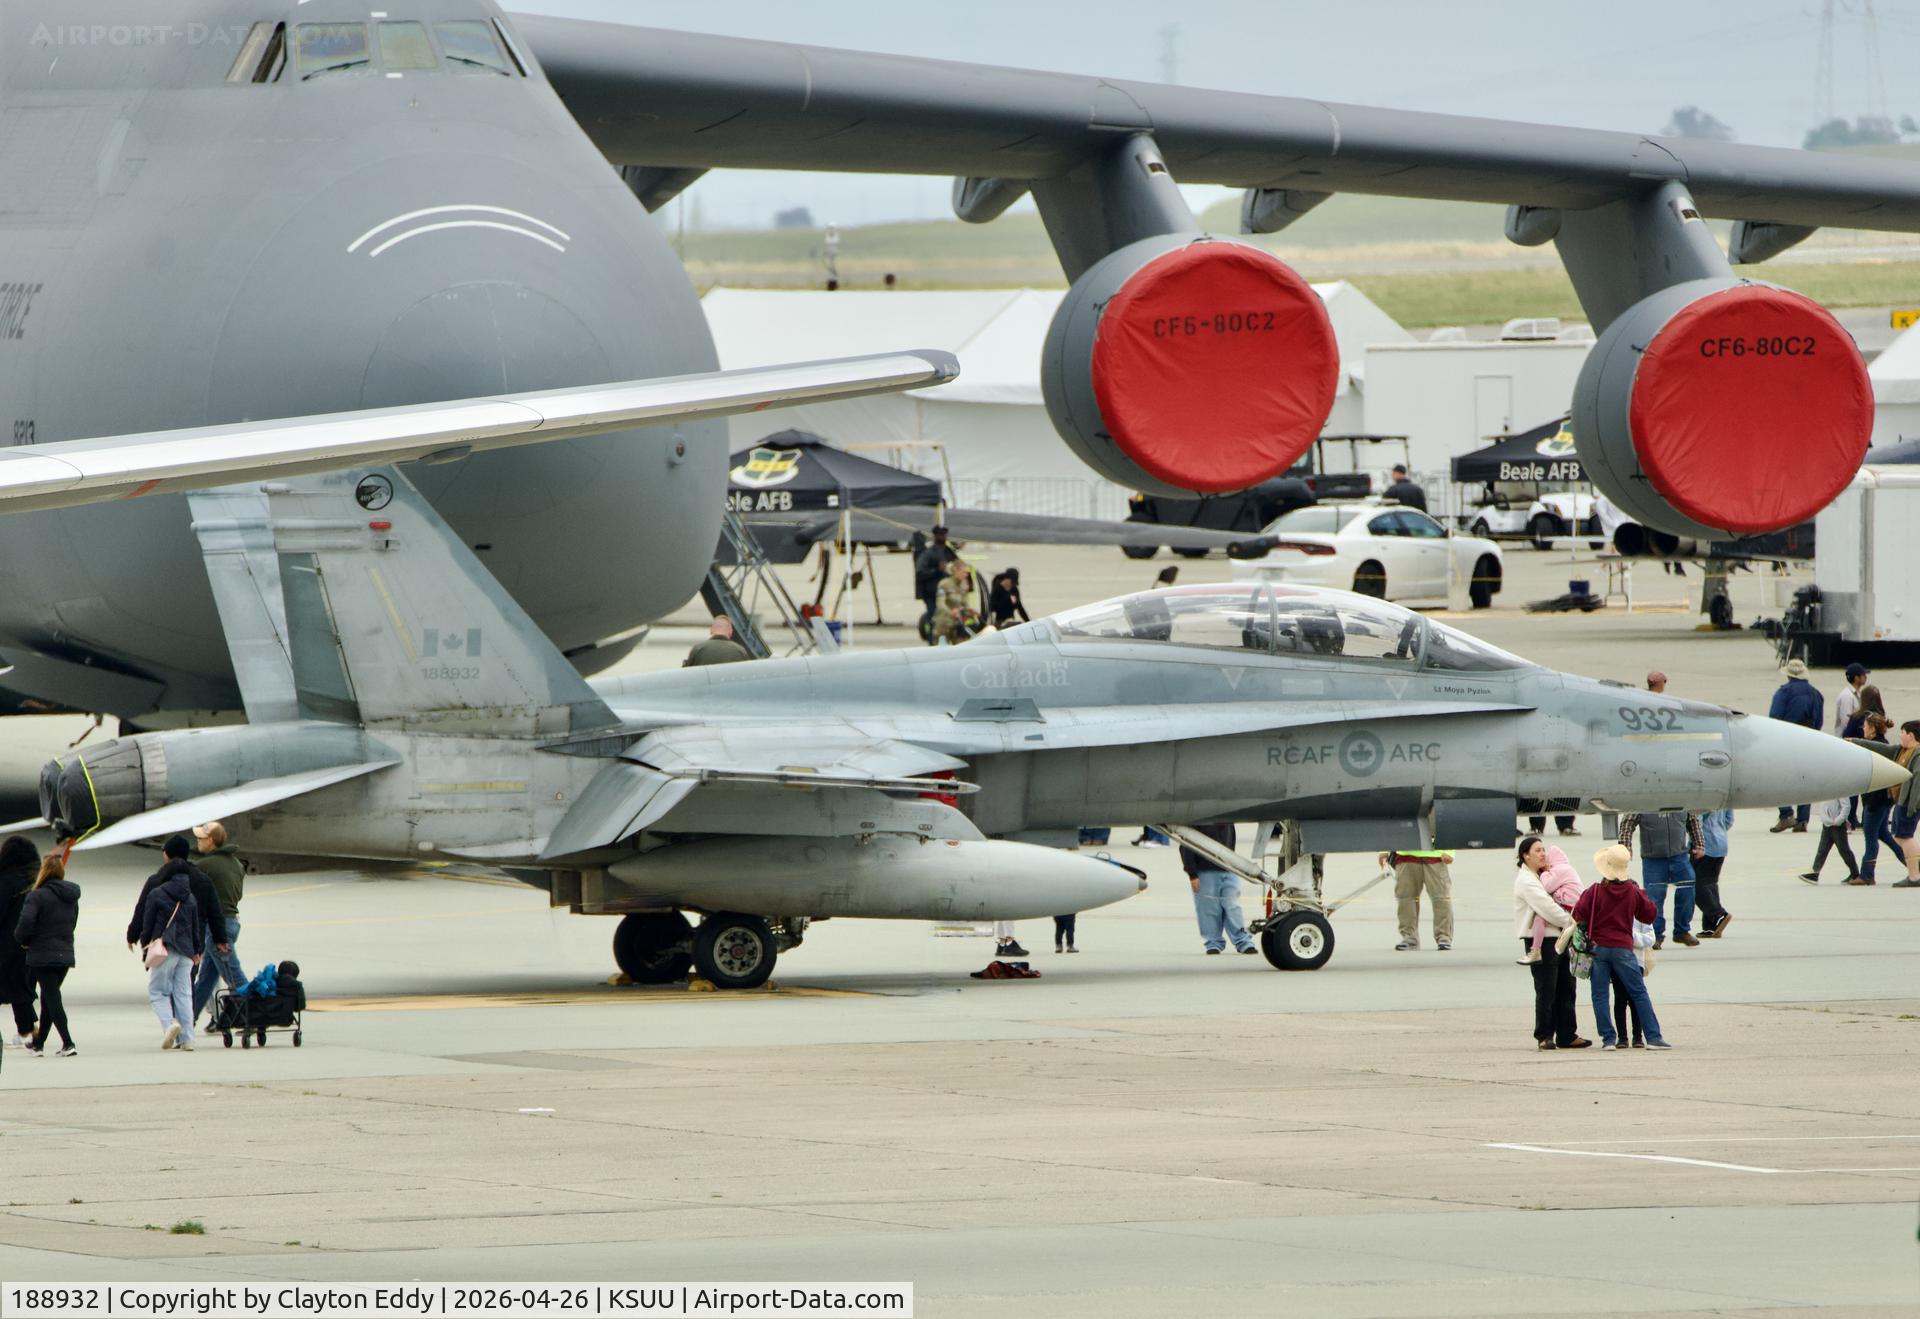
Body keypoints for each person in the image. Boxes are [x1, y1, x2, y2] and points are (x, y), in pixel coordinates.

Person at [1573, 845, 1672, 1050]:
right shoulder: (1633, 891)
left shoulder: (1594, 891)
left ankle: (1608, 1038)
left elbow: (1578, 914)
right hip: (1623, 948)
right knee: (1638, 992)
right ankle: (1653, 1036)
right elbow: (1649, 914)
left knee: (1600, 995)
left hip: (1598, 948)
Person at [130, 835, 208, 1051]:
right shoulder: (190, 897)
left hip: (165, 948)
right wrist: (197, 950)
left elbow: (147, 925)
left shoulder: (157, 893)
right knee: (184, 993)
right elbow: (196, 927)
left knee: (158, 992)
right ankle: (188, 1038)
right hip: (187, 952)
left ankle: (170, 1025)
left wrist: (145, 948)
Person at [1513, 836, 1590, 1051]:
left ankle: (1567, 1033)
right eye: (1537, 850)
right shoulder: (1526, 880)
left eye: (1544, 849)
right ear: (1525, 855)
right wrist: (1573, 921)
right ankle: (1545, 1035)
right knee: (1546, 988)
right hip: (1542, 940)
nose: (1543, 854)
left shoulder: (1546, 875)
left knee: (1567, 985)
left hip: (1560, 936)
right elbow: (1546, 907)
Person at [13, 854, 79, 1057]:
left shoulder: (37, 896)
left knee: (52, 999)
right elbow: (72, 923)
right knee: (49, 999)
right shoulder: (71, 896)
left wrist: (22, 940)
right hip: (65, 953)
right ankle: (39, 1043)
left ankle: (68, 1042)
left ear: (44, 870)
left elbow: (25, 924)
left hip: (42, 953)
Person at [1617, 808, 1702, 947]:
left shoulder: (1682, 799)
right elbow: (1627, 823)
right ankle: (1656, 935)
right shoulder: (1644, 801)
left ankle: (1682, 931)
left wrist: (1699, 844)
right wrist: (1625, 848)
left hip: (1679, 856)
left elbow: (1693, 822)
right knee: (1654, 899)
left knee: (1687, 889)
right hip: (1653, 859)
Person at [190, 821, 248, 1023]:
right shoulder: (237, 864)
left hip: (217, 928)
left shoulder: (204, 866)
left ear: (211, 841)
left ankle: (253, 1014)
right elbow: (237, 895)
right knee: (206, 979)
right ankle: (186, 1021)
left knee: (234, 977)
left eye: (201, 838)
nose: (197, 841)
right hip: (232, 921)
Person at [1858, 720, 1920, 888]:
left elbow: (1917, 783)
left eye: (1902, 732)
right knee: (1900, 837)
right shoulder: (1901, 751)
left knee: (1905, 837)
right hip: (1900, 802)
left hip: (1908, 804)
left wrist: (1912, 806)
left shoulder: (1917, 755)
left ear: (1911, 735)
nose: (1900, 735)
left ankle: (1915, 876)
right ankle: (1914, 874)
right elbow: (1882, 749)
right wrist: (1855, 742)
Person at [1182, 823, 1256, 954]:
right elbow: (1186, 846)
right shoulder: (1198, 821)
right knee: (1209, 909)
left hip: (1229, 870)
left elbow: (1231, 843)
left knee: (1232, 906)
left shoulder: (1228, 822)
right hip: (1205, 871)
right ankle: (1213, 942)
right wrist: (1192, 874)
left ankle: (1243, 941)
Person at [1768, 659, 1824, 832]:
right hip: (1809, 739)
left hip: (1786, 739)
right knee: (1804, 779)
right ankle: (1802, 820)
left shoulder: (1783, 693)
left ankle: (1786, 814)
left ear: (1789, 675)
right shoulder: (1816, 694)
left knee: (1780, 778)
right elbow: (1819, 721)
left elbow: (1774, 717)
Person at [1856, 713, 1905, 883]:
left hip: (1876, 801)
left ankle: (1867, 875)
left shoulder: (1876, 747)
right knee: (1884, 835)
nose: (1863, 728)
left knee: (1870, 837)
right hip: (1884, 800)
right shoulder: (1884, 744)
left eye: (1865, 726)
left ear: (1872, 728)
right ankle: (1913, 864)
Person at [0, 834, 39, 1046]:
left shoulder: (6, 882)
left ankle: (28, 1030)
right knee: (20, 989)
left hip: (5, 945)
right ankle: (28, 1030)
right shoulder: (32, 882)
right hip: (26, 945)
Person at [1383, 847, 1453, 951]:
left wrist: (1449, 851)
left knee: (1440, 899)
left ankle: (1444, 936)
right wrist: (1383, 851)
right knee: (1406, 899)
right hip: (1406, 855)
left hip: (1435, 856)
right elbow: (1389, 830)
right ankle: (1409, 937)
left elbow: (1448, 830)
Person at [1800, 796, 1864, 885]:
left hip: (1837, 826)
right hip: (1827, 824)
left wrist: (1839, 820)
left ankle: (1855, 873)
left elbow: (1846, 806)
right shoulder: (1826, 789)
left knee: (1844, 850)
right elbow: (1823, 806)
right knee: (1822, 850)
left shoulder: (1839, 789)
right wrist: (1825, 819)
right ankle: (1815, 873)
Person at [914, 525, 958, 642]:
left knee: (949, 619)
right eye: (940, 535)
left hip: (949, 594)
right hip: (932, 593)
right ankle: (932, 641)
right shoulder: (928, 554)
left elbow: (957, 567)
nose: (942, 537)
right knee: (933, 619)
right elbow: (920, 572)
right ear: (935, 536)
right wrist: (936, 571)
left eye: (944, 535)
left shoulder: (949, 553)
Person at [1694, 809, 1734, 936]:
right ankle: (1711, 926)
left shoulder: (1702, 797)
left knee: (1695, 884)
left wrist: (1695, 841)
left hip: (1704, 845)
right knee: (1710, 885)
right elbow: (1729, 819)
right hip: (1721, 843)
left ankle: (1718, 915)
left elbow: (1697, 820)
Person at [931, 556, 976, 645]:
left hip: (958, 623)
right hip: (944, 622)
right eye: (964, 572)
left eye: (967, 573)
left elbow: (965, 603)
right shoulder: (944, 584)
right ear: (956, 571)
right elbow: (940, 603)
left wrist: (969, 611)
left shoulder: (964, 585)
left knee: (962, 647)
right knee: (939, 650)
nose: (966, 575)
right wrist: (951, 612)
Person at [683, 616, 751, 667]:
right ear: (731, 632)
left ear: (711, 630)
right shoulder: (740, 651)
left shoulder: (698, 649)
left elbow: (686, 673)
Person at [1833, 662, 1870, 737]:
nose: (1866, 677)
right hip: (1846, 739)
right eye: (1863, 675)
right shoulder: (1847, 696)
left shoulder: (1858, 694)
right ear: (1856, 678)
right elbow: (1846, 722)